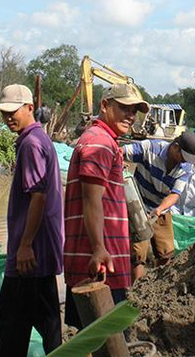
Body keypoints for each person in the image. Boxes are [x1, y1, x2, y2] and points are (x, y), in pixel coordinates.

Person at [63, 83, 148, 327]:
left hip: (100, 261)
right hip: (101, 266)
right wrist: (99, 248)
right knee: (102, 340)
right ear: (104, 106)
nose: (131, 116)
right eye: (124, 108)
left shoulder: (103, 141)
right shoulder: (99, 143)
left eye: (134, 111)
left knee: (90, 339)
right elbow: (92, 202)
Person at [0, 84, 63, 357]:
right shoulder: (39, 139)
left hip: (30, 253)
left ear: (30, 108)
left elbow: (38, 197)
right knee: (49, 324)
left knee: (10, 323)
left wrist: (25, 245)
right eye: (3, 113)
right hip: (43, 249)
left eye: (13, 111)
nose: (8, 118)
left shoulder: (32, 144)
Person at [123, 130, 195, 280]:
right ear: (175, 146)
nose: (184, 161)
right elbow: (120, 152)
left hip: (161, 207)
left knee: (166, 252)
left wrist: (159, 209)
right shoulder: (150, 148)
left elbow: (174, 195)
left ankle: (158, 287)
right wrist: (119, 161)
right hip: (138, 207)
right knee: (138, 255)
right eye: (183, 156)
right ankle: (134, 291)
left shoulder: (186, 168)